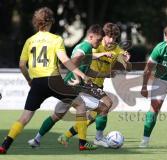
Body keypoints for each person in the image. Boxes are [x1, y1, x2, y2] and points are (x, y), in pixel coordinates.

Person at [0, 7, 93, 154]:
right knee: (80, 105)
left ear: (36, 23)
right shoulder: (56, 39)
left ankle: (5, 145)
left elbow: (22, 65)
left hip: (37, 82)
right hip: (53, 81)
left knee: (24, 117)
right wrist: (81, 74)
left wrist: (29, 80)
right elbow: (65, 60)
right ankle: (82, 143)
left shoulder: (30, 41)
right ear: (50, 22)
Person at [26, 22, 106, 150]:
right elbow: (74, 60)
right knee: (103, 108)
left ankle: (36, 139)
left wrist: (102, 72)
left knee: (57, 115)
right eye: (99, 39)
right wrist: (77, 78)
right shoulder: (85, 47)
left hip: (67, 87)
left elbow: (82, 64)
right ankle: (88, 141)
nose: (100, 42)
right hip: (74, 88)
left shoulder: (84, 47)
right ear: (91, 36)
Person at [56, 22, 131, 148]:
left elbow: (128, 67)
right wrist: (101, 54)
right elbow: (86, 55)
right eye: (109, 36)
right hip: (88, 83)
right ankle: (98, 138)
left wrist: (127, 61)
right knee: (107, 105)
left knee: (94, 116)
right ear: (103, 36)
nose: (111, 40)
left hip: (98, 84)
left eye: (115, 38)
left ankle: (66, 136)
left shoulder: (117, 49)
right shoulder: (96, 45)